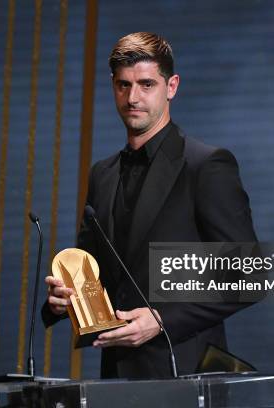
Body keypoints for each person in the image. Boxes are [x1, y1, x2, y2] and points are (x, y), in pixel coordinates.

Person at [42, 32, 257, 379]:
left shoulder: (206, 165)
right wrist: (64, 300)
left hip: (185, 373)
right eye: (123, 85)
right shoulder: (102, 174)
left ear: (171, 86)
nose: (133, 98)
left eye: (146, 84)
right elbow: (93, 272)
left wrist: (161, 320)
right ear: (112, 87)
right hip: (116, 377)